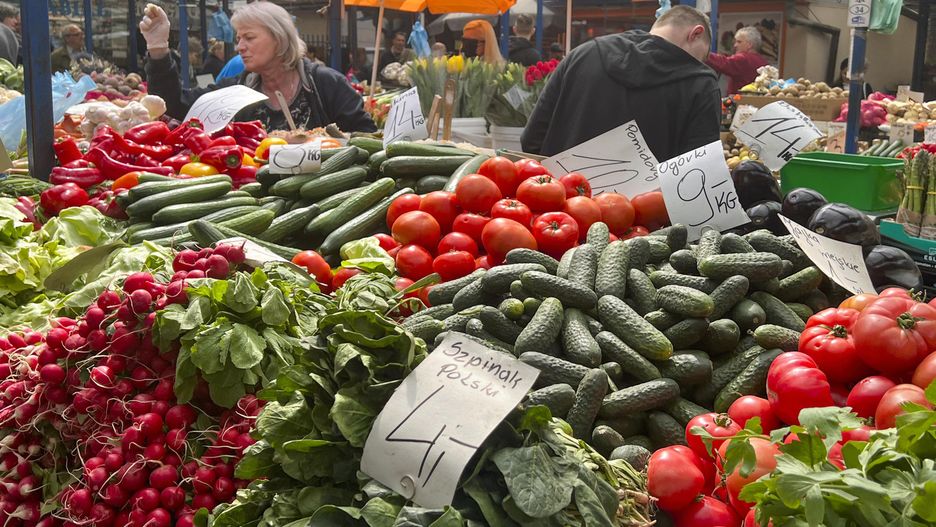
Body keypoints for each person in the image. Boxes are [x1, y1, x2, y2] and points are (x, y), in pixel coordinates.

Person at [521, 5, 719, 161]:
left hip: (562, 197)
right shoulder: (701, 84)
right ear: (696, 33)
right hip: (646, 203)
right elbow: (698, 174)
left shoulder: (582, 53)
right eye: (700, 58)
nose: (697, 65)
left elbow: (531, 139)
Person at [141, 2, 375, 133]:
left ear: (279, 38)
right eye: (238, 39)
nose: (240, 47)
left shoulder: (326, 83)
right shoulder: (236, 89)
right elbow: (173, 105)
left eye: (249, 37)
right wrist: (158, 47)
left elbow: (366, 137)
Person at [705, 26, 768, 94]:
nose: (735, 45)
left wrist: (703, 53)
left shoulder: (743, 59)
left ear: (749, 45)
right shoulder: (763, 62)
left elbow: (723, 63)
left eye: (739, 42)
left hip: (739, 99)